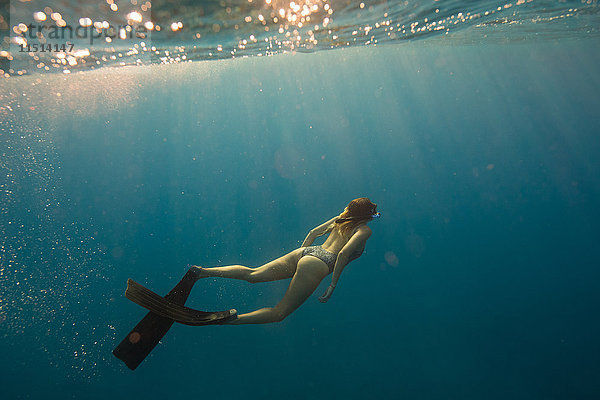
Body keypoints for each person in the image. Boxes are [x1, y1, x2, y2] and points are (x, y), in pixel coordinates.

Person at [190, 197, 379, 324]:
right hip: (320, 263)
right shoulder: (364, 230)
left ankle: (202, 272)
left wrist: (303, 256)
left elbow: (313, 233)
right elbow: (343, 254)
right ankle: (232, 320)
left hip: (307, 252)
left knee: (252, 274)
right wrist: (332, 285)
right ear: (367, 215)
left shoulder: (341, 219)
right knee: (279, 313)